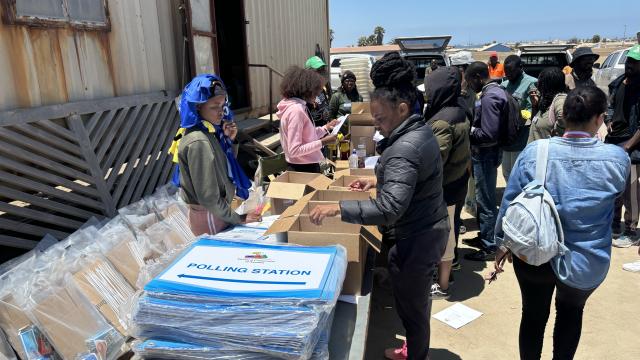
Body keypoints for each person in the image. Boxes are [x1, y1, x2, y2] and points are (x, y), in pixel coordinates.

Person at [309, 52, 448, 360]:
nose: (377, 127)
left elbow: (389, 210)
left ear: (401, 108)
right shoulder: (418, 131)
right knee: (415, 307)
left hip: (417, 236)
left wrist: (338, 209)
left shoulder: (403, 147)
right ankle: (412, 349)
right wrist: (377, 181)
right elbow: (412, 181)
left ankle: (415, 354)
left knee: (412, 310)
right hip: (428, 226)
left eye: (381, 119)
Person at [494, 86, 629, 360]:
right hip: (587, 260)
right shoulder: (617, 159)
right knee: (571, 313)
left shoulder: (535, 152)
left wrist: (501, 244)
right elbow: (616, 199)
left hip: (533, 254)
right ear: (600, 119)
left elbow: (510, 203)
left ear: (562, 116)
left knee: (532, 315)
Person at [173, 74, 260, 235]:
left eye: (222, 105)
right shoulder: (198, 141)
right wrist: (238, 218)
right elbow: (208, 197)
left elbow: (222, 166)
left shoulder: (209, 132)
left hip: (216, 213)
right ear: (198, 107)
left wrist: (230, 141)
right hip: (210, 217)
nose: (221, 112)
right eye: (214, 107)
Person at [424, 67, 471, 299]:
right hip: (457, 182)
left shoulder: (443, 121)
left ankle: (442, 285)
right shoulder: (458, 111)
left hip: (446, 188)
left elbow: (437, 158)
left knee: (445, 235)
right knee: (449, 231)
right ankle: (446, 273)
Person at [463, 61, 509, 261]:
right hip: (489, 154)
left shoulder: (490, 97)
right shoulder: (498, 91)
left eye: (469, 82)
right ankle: (484, 236)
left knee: (486, 200)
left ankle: (490, 245)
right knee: (484, 198)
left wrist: (468, 129)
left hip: (485, 154)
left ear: (477, 78)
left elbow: (488, 134)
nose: (469, 86)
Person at [604, 45, 640, 247]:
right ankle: (614, 224)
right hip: (614, 141)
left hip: (633, 146)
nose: (630, 66)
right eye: (629, 61)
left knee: (631, 190)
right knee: (614, 188)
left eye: (635, 63)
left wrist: (628, 146)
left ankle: (631, 229)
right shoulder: (618, 84)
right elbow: (610, 106)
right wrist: (608, 122)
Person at [277, 66, 338, 173]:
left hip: (303, 166)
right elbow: (294, 150)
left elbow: (307, 135)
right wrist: (323, 142)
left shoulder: (297, 107)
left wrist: (326, 128)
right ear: (306, 90)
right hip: (303, 169)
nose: (317, 94)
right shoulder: (296, 110)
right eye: (315, 90)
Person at [501, 55, 538, 182]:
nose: (508, 74)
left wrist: (515, 116)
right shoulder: (504, 84)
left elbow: (531, 110)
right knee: (506, 172)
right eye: (506, 72)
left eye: (511, 71)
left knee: (518, 172)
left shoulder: (531, 83)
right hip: (506, 136)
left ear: (521, 68)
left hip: (522, 135)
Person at [528, 67, 568, 142]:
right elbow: (536, 123)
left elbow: (564, 120)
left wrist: (555, 139)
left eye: (540, 85)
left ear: (548, 86)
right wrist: (535, 106)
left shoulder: (560, 100)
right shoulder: (546, 103)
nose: (538, 89)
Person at [305, 56, 332, 126]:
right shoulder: (304, 93)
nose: (322, 72)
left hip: (325, 129)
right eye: (318, 70)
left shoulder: (322, 89)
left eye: (323, 69)